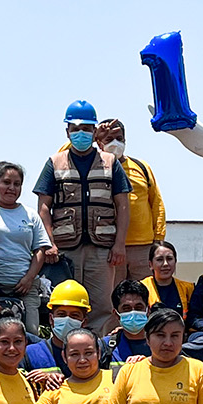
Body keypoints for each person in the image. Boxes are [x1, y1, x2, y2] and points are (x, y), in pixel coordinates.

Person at [35, 100, 131, 335]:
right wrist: (50, 243)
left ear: (94, 130)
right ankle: (65, 348)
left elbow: (123, 205)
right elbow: (43, 207)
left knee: (101, 306)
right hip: (65, 250)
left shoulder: (110, 163)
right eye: (75, 128)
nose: (80, 133)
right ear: (67, 131)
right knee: (65, 302)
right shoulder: (54, 162)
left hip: (102, 249)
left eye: (86, 128)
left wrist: (120, 244)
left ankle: (96, 351)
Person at [0, 161, 54, 336]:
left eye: (17, 184)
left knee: (30, 333)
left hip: (25, 286)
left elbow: (40, 250)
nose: (11, 188)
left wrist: (29, 279)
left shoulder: (30, 214)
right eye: (6, 183)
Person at [94, 116, 165, 282]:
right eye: (109, 139)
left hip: (143, 246)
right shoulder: (93, 167)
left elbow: (157, 203)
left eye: (119, 139)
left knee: (147, 295)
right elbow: (64, 155)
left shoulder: (141, 167)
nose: (115, 143)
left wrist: (159, 239)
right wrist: (92, 134)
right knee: (113, 297)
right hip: (109, 245)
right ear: (99, 142)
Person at [105, 279, 153, 365]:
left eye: (138, 307)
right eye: (126, 309)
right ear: (116, 314)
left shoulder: (162, 344)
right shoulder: (106, 347)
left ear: (148, 310)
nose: (133, 313)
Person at [140, 239, 194, 315]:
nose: (165, 264)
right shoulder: (142, 288)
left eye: (169, 259)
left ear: (175, 261)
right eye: (159, 259)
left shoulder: (188, 288)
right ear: (150, 264)